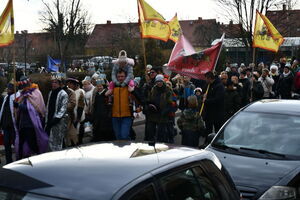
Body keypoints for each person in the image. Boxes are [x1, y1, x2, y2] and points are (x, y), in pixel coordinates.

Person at [14, 76, 48, 159]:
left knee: (32, 143)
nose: (24, 87)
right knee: (21, 144)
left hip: (31, 124)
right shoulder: (22, 94)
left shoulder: (36, 93)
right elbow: (20, 110)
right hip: (22, 124)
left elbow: (33, 109)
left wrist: (19, 106)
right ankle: (21, 159)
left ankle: (37, 158)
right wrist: (16, 106)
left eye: (25, 84)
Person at [146, 74, 173, 142]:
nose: (159, 83)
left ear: (163, 81)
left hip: (163, 114)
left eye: (160, 81)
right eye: (157, 81)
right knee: (150, 131)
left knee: (161, 133)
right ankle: (151, 144)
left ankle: (161, 146)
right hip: (154, 113)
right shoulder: (153, 89)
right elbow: (150, 99)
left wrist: (165, 111)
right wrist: (150, 106)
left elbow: (170, 103)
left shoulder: (167, 89)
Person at [45, 73, 68, 151]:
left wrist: (57, 118)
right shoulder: (50, 93)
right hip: (49, 119)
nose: (54, 84)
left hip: (58, 121)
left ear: (60, 84)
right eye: (53, 82)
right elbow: (48, 106)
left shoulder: (63, 94)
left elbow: (63, 108)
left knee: (58, 141)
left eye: (56, 82)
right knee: (49, 141)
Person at [111, 69, 134, 140]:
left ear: (126, 77)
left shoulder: (129, 86)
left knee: (124, 136)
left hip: (127, 115)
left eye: (122, 76)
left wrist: (133, 91)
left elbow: (137, 98)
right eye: (118, 76)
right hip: (115, 116)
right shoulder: (113, 87)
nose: (120, 78)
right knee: (118, 137)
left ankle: (129, 147)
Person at [0, 81, 20, 163]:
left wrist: (17, 106)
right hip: (5, 125)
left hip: (13, 125)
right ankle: (9, 161)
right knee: (6, 144)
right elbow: (2, 110)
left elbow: (19, 110)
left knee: (16, 144)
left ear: (13, 89)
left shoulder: (17, 97)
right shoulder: (6, 97)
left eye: (9, 88)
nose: (7, 89)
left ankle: (18, 160)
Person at [202, 71, 225, 135]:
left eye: (206, 78)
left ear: (209, 78)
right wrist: (203, 95)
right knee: (208, 129)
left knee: (217, 130)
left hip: (217, 113)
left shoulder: (219, 86)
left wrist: (206, 101)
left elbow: (218, 99)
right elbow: (203, 92)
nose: (205, 80)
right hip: (208, 113)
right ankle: (207, 142)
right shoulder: (208, 85)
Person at [67, 78, 85, 144]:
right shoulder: (70, 91)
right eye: (68, 84)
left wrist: (78, 117)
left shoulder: (80, 91)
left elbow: (81, 105)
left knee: (79, 129)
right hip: (73, 114)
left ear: (75, 84)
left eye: (70, 84)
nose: (69, 85)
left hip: (79, 114)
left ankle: (79, 142)